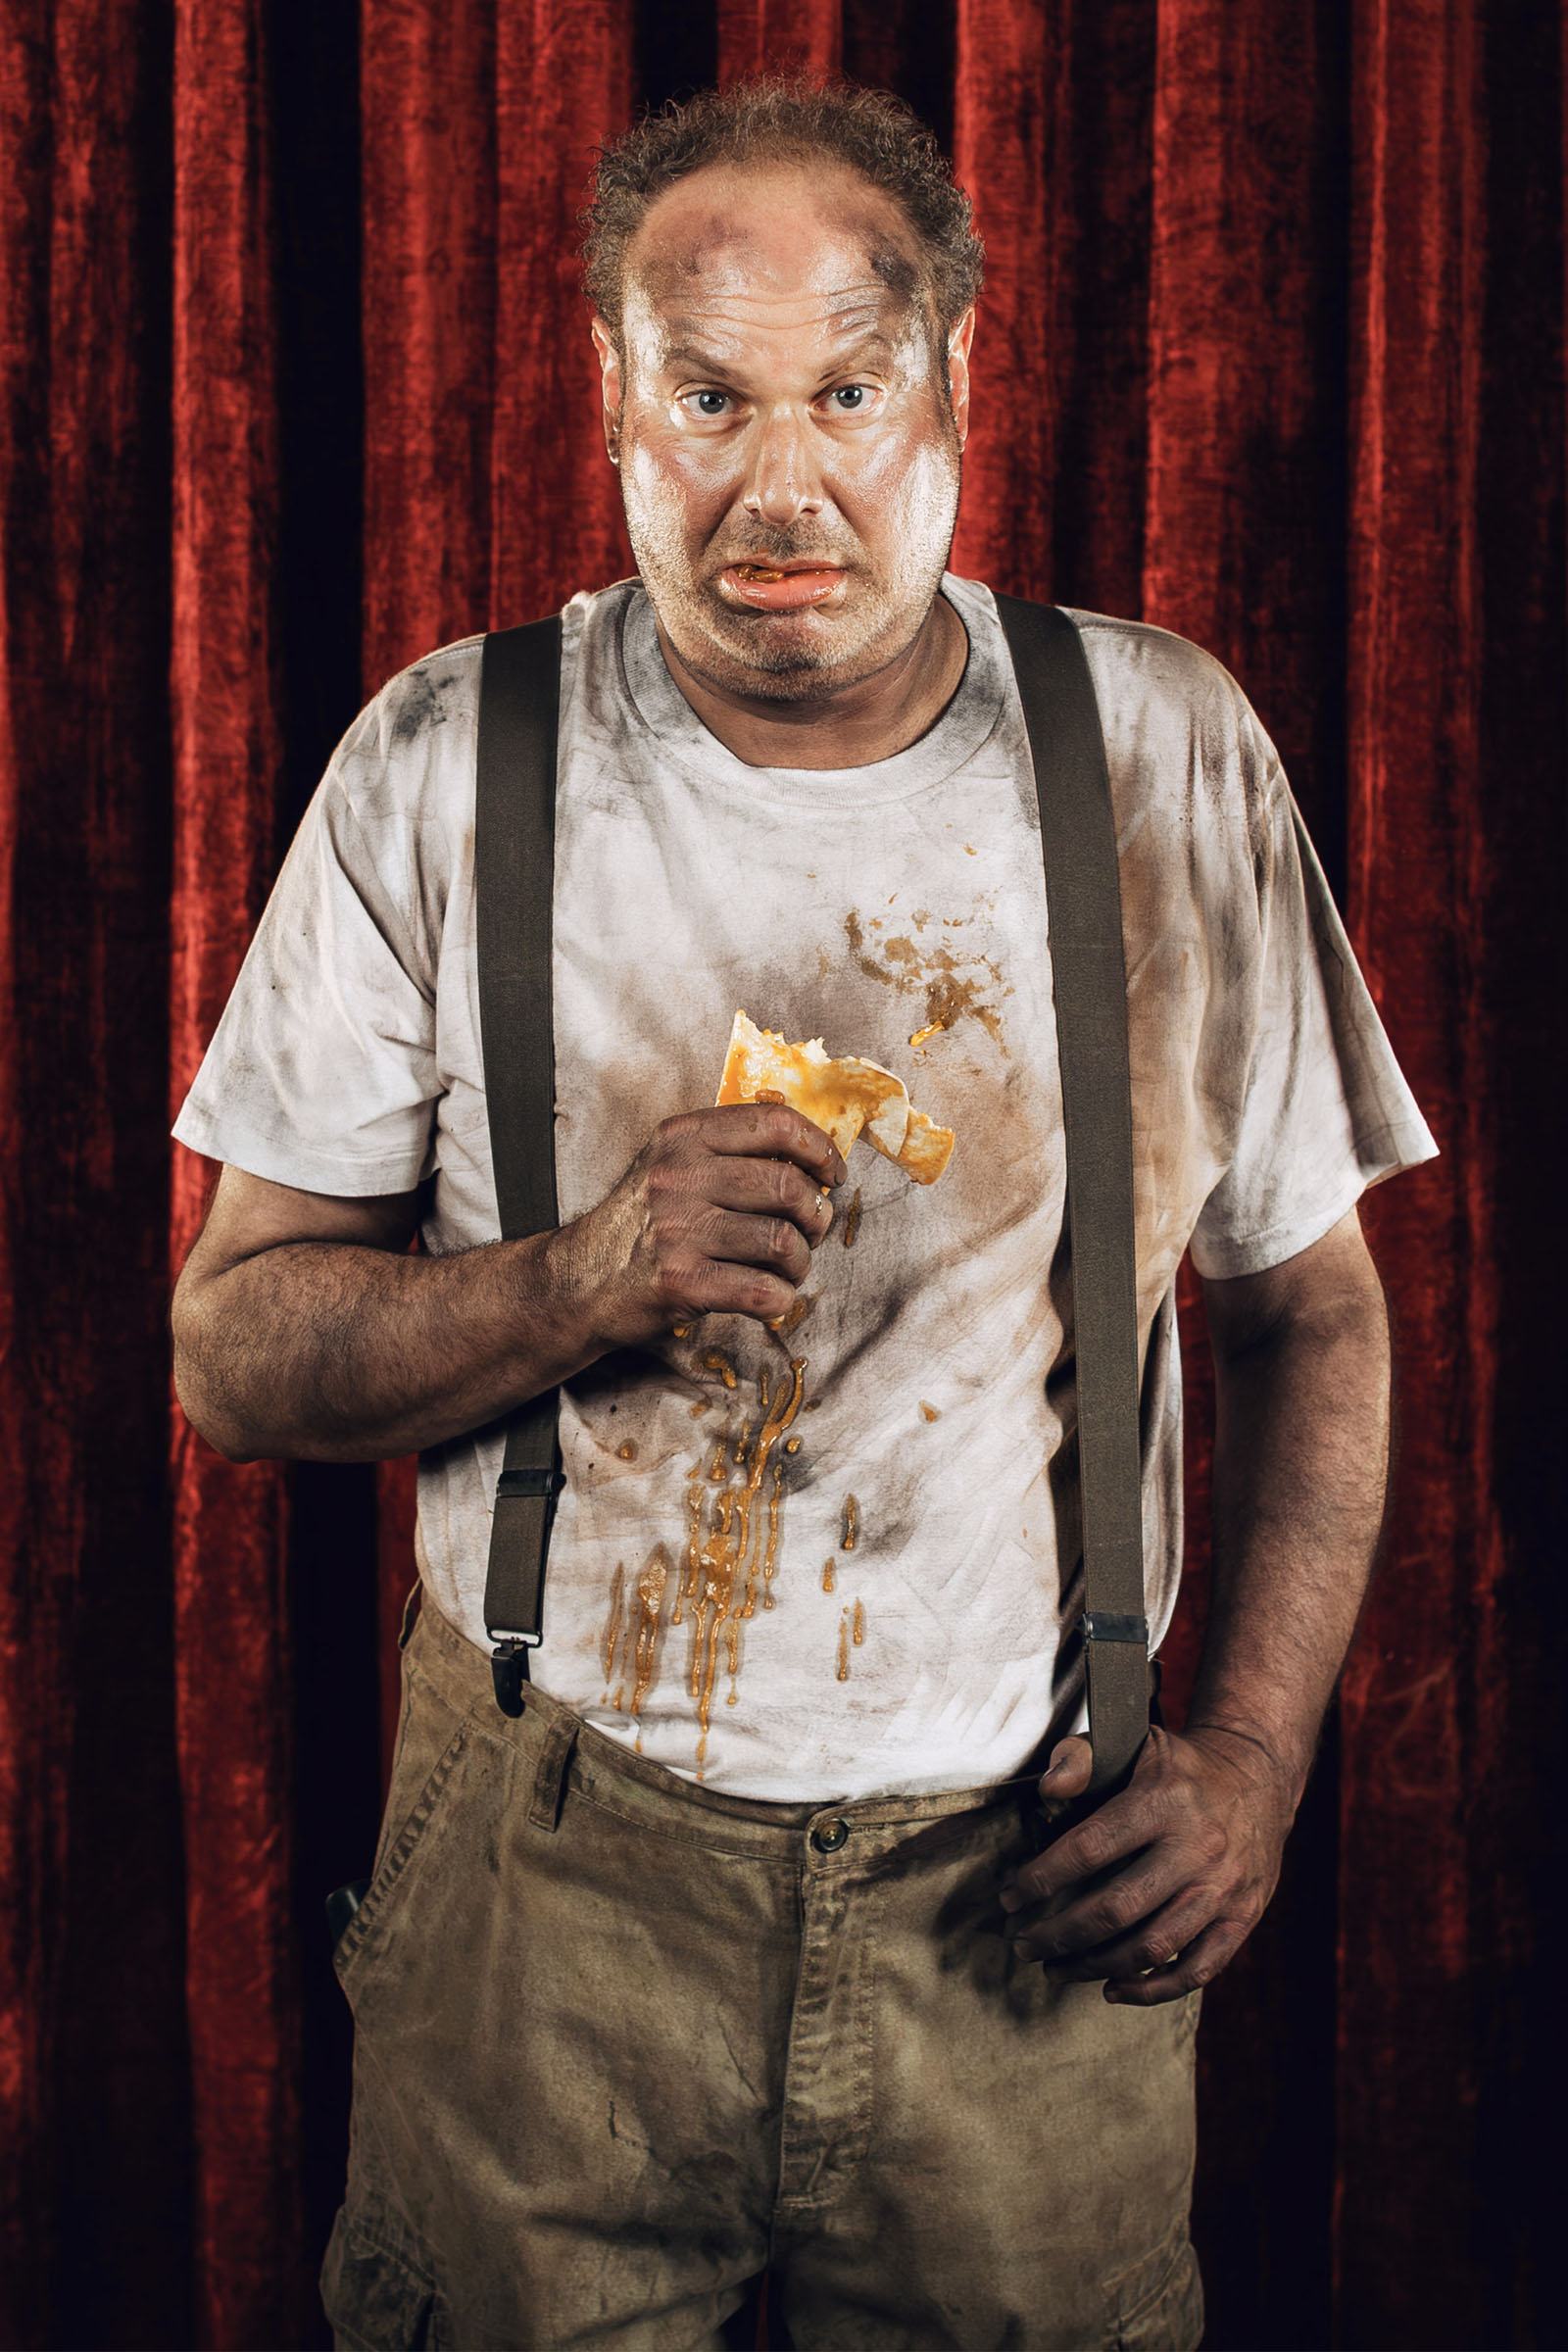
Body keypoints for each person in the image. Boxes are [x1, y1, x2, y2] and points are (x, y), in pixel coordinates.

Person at [171, 79, 1435, 2352]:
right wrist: (578, 1278)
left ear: (955, 370)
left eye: (846, 388)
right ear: (608, 395)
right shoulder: (446, 763)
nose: (781, 485)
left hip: (1021, 1908)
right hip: (551, 1899)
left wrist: (1247, 1756)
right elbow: (233, 1354)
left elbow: (1313, 1322)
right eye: (710, 395)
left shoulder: (1160, 754)